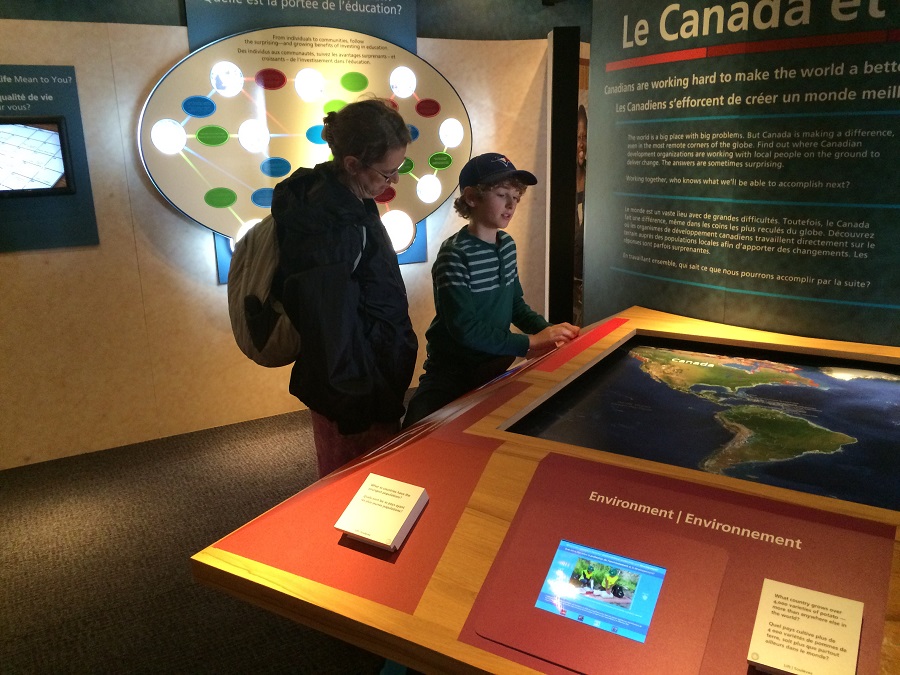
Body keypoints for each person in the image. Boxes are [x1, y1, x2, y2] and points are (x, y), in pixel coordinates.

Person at [271, 98, 418, 477]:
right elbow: (330, 331)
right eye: (387, 173)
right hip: (354, 393)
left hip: (364, 379)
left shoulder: (346, 199)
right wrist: (359, 402)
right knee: (357, 490)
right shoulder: (331, 228)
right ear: (353, 164)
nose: (394, 180)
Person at [403, 153, 580, 428]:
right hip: (453, 372)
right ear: (472, 197)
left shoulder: (507, 245)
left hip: (495, 365)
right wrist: (529, 343)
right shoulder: (454, 255)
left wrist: (549, 334)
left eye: (516, 197)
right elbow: (464, 328)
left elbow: (515, 306)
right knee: (416, 431)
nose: (511, 205)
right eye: (501, 194)